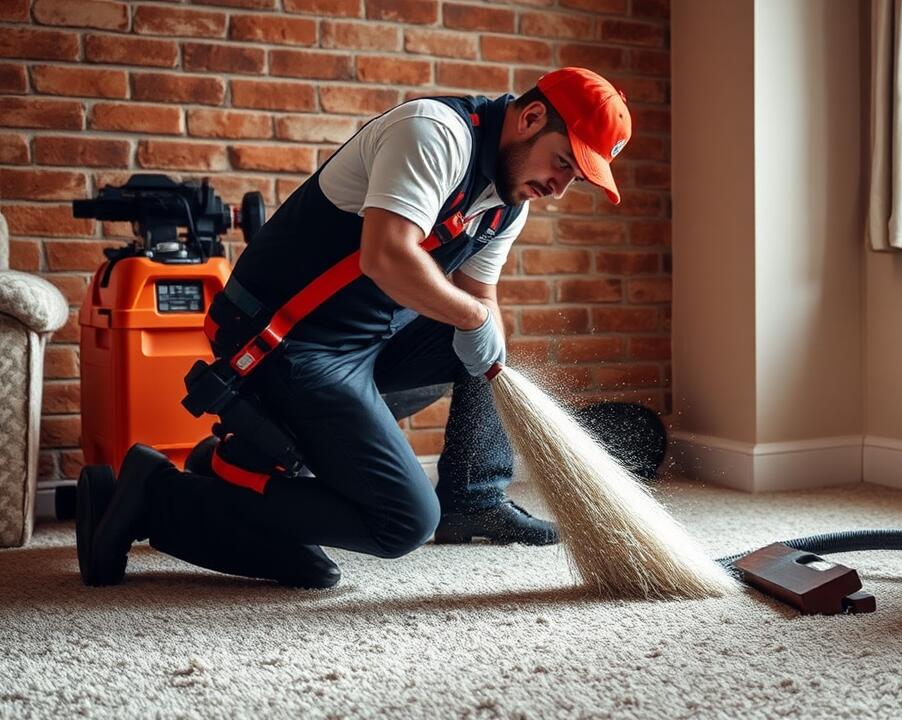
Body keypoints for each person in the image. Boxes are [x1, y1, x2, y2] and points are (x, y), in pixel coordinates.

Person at [76, 67, 633, 589]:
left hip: (365, 340)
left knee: (487, 352)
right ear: (531, 119)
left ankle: (473, 499)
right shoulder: (434, 133)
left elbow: (477, 296)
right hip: (283, 337)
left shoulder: (508, 202)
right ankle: (155, 494)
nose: (559, 187)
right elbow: (387, 257)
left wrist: (487, 342)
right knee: (403, 521)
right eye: (562, 163)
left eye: (575, 179)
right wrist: (473, 318)